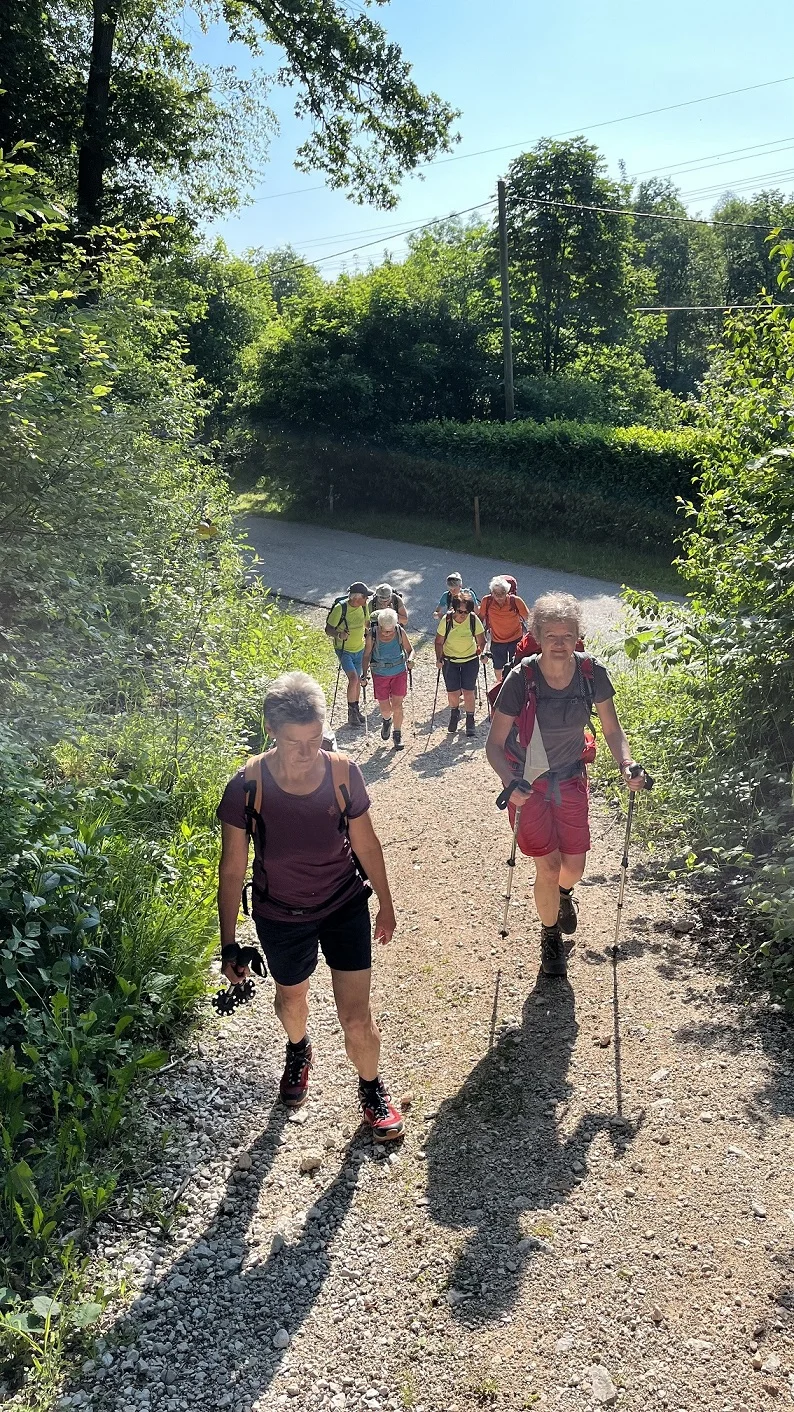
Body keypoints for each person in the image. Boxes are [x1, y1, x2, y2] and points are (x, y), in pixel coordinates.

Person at [216, 671, 404, 1141]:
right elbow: (232, 869)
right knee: (291, 1001)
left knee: (357, 1016)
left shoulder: (342, 772)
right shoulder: (246, 785)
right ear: (271, 732)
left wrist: (385, 902)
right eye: (293, 741)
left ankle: (371, 1087)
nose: (306, 752)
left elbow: (367, 842)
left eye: (315, 739)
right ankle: (299, 1049)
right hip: (280, 913)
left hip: (343, 904)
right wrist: (229, 944)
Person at [485, 591, 649, 979]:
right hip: (528, 783)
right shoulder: (520, 679)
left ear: (578, 636)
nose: (560, 643)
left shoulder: (591, 672)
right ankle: (550, 936)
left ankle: (563, 896)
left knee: (573, 867)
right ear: (537, 635)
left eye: (568, 635)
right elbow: (494, 745)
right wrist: (511, 782)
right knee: (550, 863)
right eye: (552, 635)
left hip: (572, 777)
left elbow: (612, 729)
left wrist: (627, 763)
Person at [361, 608, 414, 751]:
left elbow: (410, 650)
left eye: (390, 631)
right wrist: (364, 674)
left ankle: (397, 735)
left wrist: (410, 660)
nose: (387, 634)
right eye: (384, 631)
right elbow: (366, 655)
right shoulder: (372, 634)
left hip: (398, 672)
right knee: (385, 709)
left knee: (397, 705)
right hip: (380, 673)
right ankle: (386, 721)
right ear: (379, 625)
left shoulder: (399, 631)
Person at [435, 591, 486, 738]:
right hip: (450, 660)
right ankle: (454, 712)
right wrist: (439, 658)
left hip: (470, 659)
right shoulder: (447, 620)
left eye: (466, 611)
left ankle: (470, 720)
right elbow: (438, 642)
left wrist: (481, 652)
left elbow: (481, 641)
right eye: (460, 611)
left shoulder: (473, 619)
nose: (463, 615)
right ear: (454, 609)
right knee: (453, 692)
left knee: (468, 691)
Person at [325, 582, 370, 728]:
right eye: (365, 597)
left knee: (357, 680)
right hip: (344, 650)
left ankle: (355, 710)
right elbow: (328, 629)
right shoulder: (341, 608)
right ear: (357, 598)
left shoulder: (363, 607)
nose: (367, 600)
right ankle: (351, 713)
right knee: (354, 678)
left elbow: (367, 624)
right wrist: (339, 634)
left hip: (360, 649)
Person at [478, 575, 530, 684]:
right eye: (496, 594)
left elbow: (529, 619)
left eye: (502, 593)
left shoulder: (515, 601)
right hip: (497, 640)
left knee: (516, 666)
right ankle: (501, 686)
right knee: (498, 667)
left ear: (507, 592)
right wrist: (478, 640)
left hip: (516, 639)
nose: (499, 597)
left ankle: (516, 686)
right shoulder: (486, 601)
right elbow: (480, 620)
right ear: (491, 592)